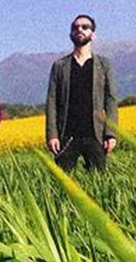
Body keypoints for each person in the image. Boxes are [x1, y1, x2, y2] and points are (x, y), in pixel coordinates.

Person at [45, 14, 118, 171]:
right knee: (61, 181)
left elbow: (110, 100)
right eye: (75, 27)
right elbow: (51, 102)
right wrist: (52, 134)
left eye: (85, 27)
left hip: (96, 135)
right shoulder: (59, 66)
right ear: (70, 34)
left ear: (93, 34)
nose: (79, 29)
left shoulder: (104, 65)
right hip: (66, 136)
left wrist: (110, 134)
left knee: (98, 181)